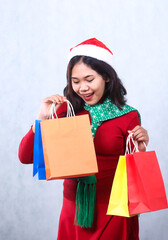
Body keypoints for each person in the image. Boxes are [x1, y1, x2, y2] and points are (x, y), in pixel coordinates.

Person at [18, 38, 149, 240]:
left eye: (90, 80)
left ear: (106, 77)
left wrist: (140, 148)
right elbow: (25, 156)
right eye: (76, 81)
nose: (83, 88)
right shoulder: (65, 111)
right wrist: (42, 117)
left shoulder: (128, 116)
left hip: (114, 208)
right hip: (74, 209)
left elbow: (135, 173)